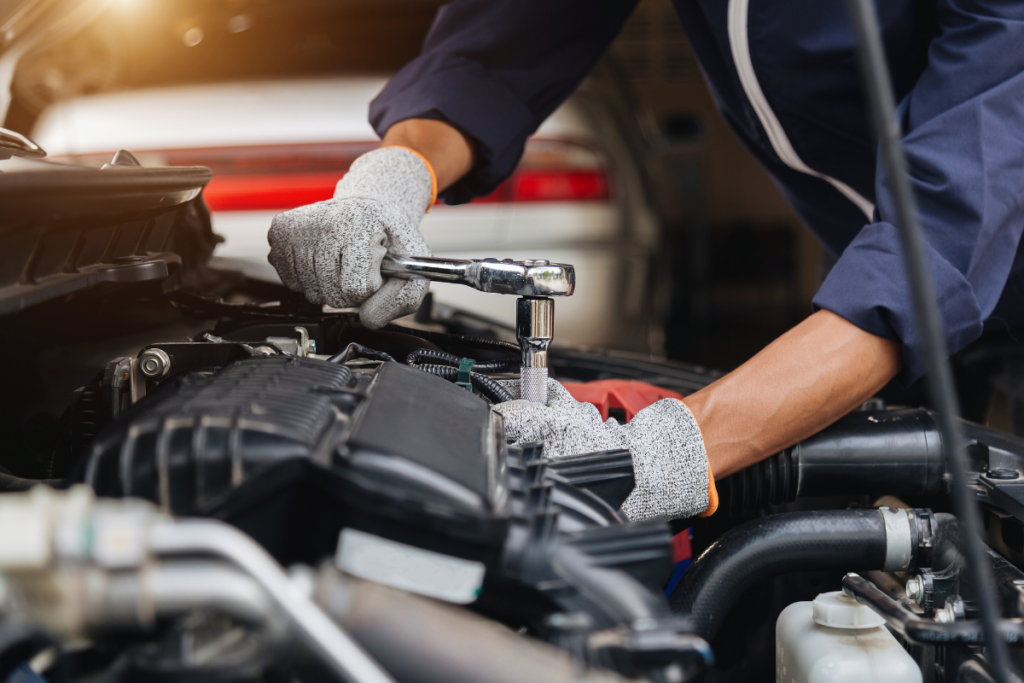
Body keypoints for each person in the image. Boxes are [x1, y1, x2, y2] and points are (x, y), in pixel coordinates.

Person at [267, 0, 1024, 522]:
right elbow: (497, 50)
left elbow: (940, 238)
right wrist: (394, 179)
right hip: (873, 280)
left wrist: (666, 445)